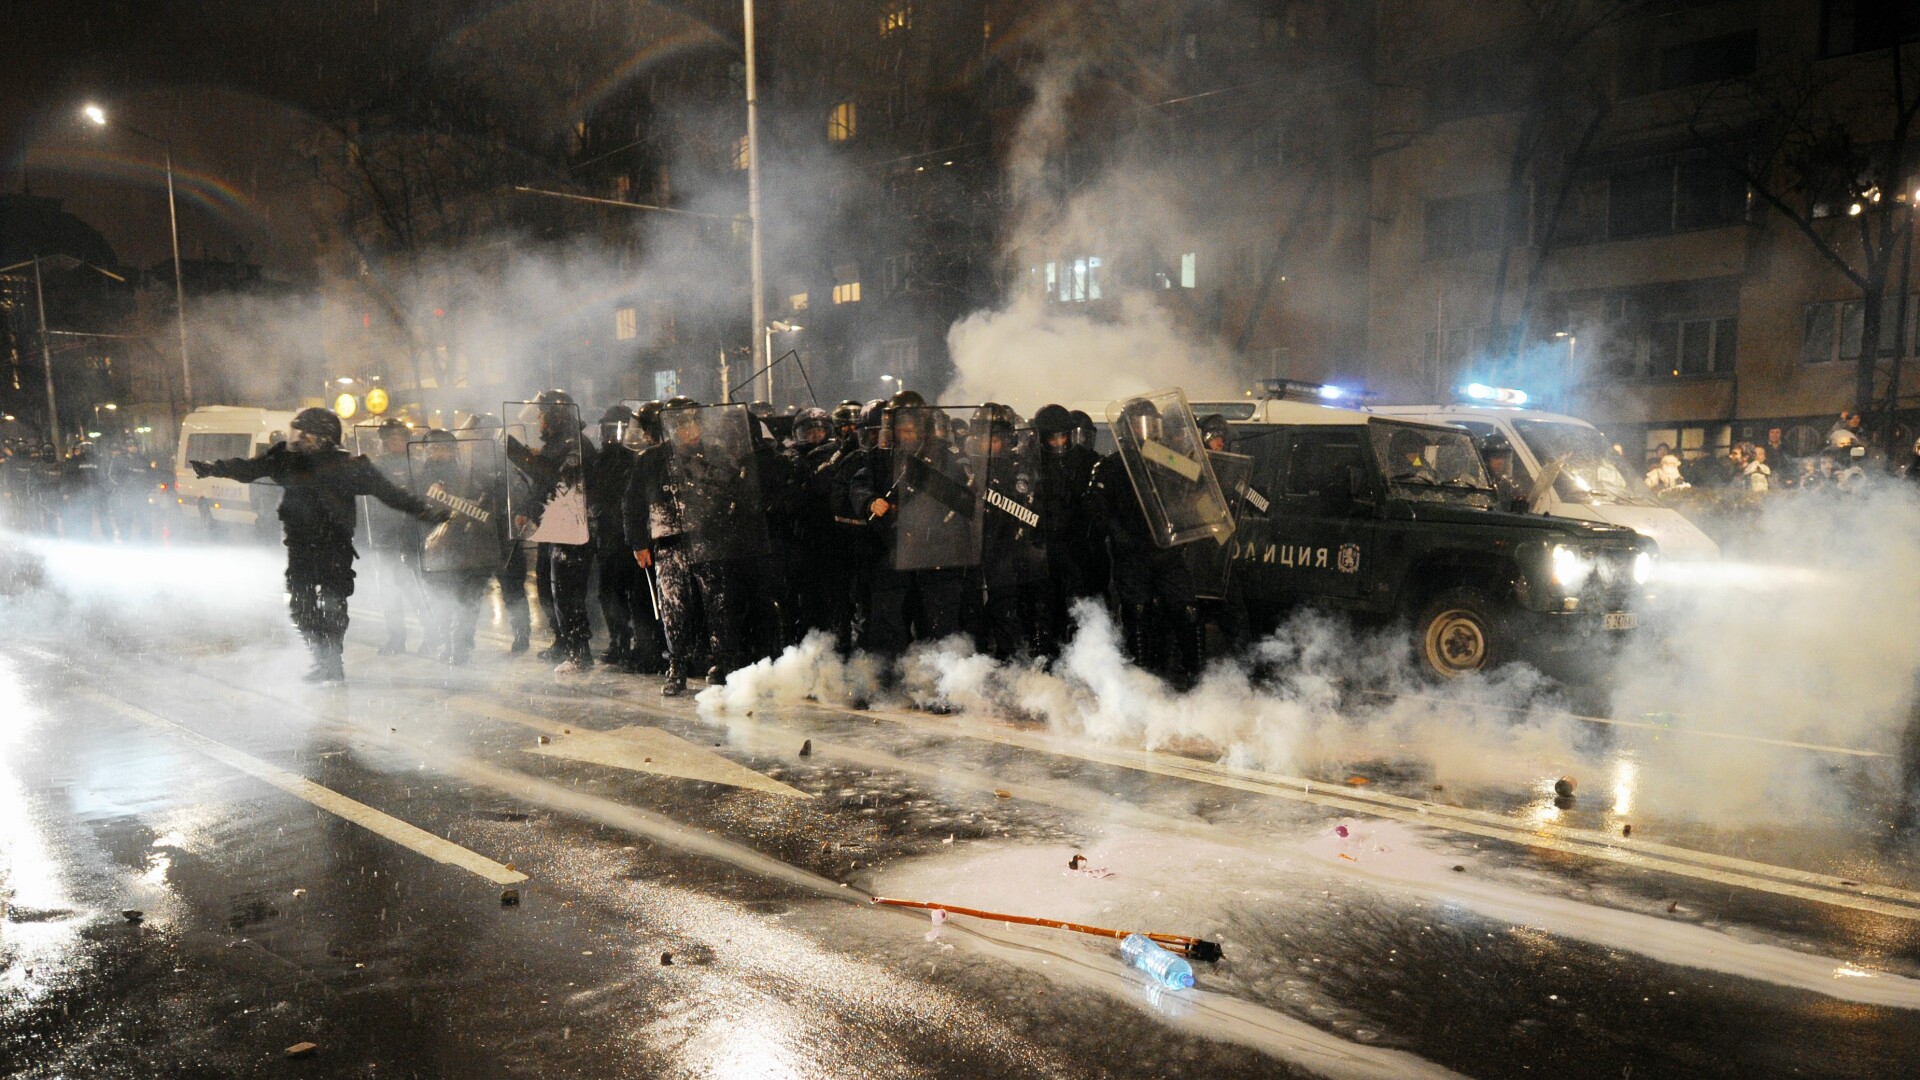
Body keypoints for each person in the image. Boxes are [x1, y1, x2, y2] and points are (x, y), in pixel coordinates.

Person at [189, 407, 448, 683]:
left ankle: (332, 660)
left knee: (334, 604)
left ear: (325, 438)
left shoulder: (350, 466)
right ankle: (321, 656)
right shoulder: (287, 460)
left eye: (306, 435)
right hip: (300, 545)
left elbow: (391, 494)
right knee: (301, 606)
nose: (298, 440)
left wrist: (424, 511)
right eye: (297, 434)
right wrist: (214, 468)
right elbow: (250, 468)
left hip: (335, 545)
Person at [624, 398, 758, 696]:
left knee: (718, 605)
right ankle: (677, 665)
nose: (690, 429)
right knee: (673, 606)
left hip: (709, 541)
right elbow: (633, 504)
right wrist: (638, 543)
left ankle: (723, 662)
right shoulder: (650, 460)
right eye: (683, 424)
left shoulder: (716, 455)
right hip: (669, 544)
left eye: (694, 422)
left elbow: (734, 499)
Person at [1089, 399, 1202, 685]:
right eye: (1140, 425)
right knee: (1137, 612)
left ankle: (1194, 675)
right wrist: (1118, 534)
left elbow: (1196, 482)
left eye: (1152, 426)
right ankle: (1140, 675)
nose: (1146, 432)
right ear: (1127, 429)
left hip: (1167, 550)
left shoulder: (1168, 458)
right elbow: (1098, 507)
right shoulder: (1113, 464)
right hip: (1132, 553)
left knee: (1187, 611)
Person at [507, 390, 598, 672]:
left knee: (568, 592)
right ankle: (562, 641)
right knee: (548, 590)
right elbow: (542, 485)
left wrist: (517, 452)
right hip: (552, 528)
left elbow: (550, 476)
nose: (538, 421)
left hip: (572, 531)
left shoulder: (574, 445)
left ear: (555, 416)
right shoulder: (557, 444)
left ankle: (579, 651)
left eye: (542, 415)